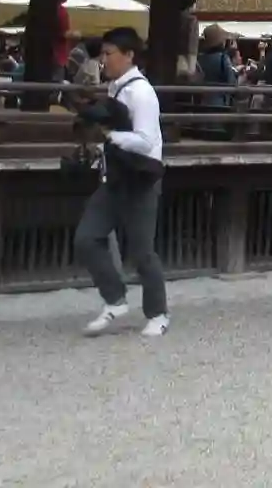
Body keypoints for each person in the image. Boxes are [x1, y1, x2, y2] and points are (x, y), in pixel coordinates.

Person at [73, 27, 169, 339]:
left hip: (140, 178)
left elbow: (146, 140)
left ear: (129, 55)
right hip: (115, 176)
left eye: (109, 53)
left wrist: (109, 136)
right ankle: (115, 299)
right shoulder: (116, 88)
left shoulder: (141, 92)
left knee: (142, 252)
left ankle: (158, 313)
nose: (104, 59)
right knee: (87, 238)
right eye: (102, 53)